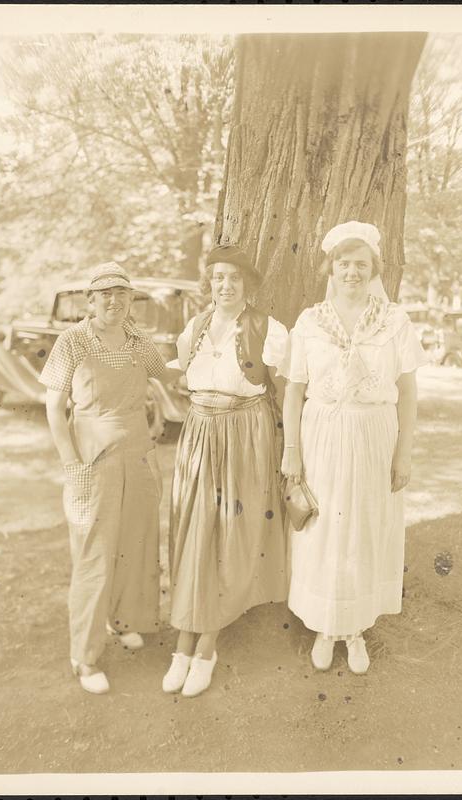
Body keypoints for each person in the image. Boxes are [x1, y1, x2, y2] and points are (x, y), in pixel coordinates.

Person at [280, 221, 428, 674]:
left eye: (361, 264)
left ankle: (356, 628)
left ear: (374, 270)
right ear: (331, 268)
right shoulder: (310, 321)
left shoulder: (394, 320)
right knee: (325, 529)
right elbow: (292, 390)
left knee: (363, 526)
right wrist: (291, 450)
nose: (352, 272)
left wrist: (403, 452)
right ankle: (326, 627)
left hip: (373, 434)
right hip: (322, 433)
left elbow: (408, 390)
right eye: (344, 263)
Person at [162, 243, 288, 698]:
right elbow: (178, 377)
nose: (225, 285)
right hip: (199, 433)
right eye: (218, 278)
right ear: (209, 284)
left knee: (227, 535)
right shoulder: (193, 327)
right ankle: (182, 644)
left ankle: (207, 645)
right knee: (194, 532)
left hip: (245, 434)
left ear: (247, 285)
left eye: (234, 278)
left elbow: (287, 393)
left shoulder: (267, 329)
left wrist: (287, 449)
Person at [41, 262, 168, 694]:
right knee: (95, 555)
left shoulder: (139, 342)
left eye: (123, 294)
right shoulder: (72, 341)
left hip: (138, 456)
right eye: (105, 295)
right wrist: (71, 463)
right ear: (91, 301)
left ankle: (125, 619)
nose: (114, 301)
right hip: (93, 460)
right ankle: (85, 655)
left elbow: (168, 374)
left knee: (136, 541)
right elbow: (55, 409)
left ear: (131, 301)